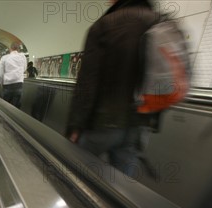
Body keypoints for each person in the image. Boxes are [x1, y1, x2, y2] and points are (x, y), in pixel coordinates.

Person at [66, 0, 159, 178]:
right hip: (140, 125)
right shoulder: (160, 23)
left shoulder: (104, 26)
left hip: (103, 123)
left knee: (76, 175)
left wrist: (75, 126)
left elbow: (88, 81)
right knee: (120, 186)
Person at [0, 42, 27, 108]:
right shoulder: (22, 56)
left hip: (7, 85)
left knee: (5, 106)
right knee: (16, 106)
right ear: (18, 49)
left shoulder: (4, 58)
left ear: (10, 49)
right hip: (19, 84)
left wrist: (1, 82)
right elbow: (24, 69)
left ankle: (4, 117)